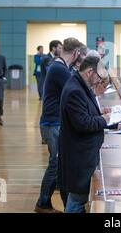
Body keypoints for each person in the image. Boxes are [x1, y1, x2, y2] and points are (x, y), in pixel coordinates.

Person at [58, 56, 112, 213]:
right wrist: (104, 119)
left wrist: (98, 111)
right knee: (77, 200)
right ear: (90, 72)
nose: (99, 82)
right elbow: (83, 124)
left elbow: (83, 112)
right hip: (79, 156)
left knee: (78, 198)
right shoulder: (75, 90)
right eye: (99, 78)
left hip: (82, 153)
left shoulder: (78, 84)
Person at [34, 38, 81, 214]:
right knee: (55, 164)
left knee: (60, 164)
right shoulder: (59, 68)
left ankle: (67, 203)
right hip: (51, 123)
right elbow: (76, 91)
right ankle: (42, 203)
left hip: (54, 122)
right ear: (75, 53)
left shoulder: (61, 67)